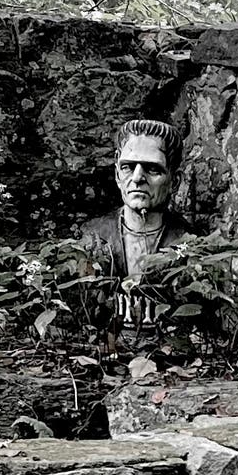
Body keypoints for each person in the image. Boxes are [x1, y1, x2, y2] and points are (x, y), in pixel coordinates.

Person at [79, 119, 187, 328]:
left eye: (153, 169)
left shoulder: (188, 245)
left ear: (175, 181)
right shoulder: (93, 238)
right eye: (128, 167)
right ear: (117, 174)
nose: (137, 178)